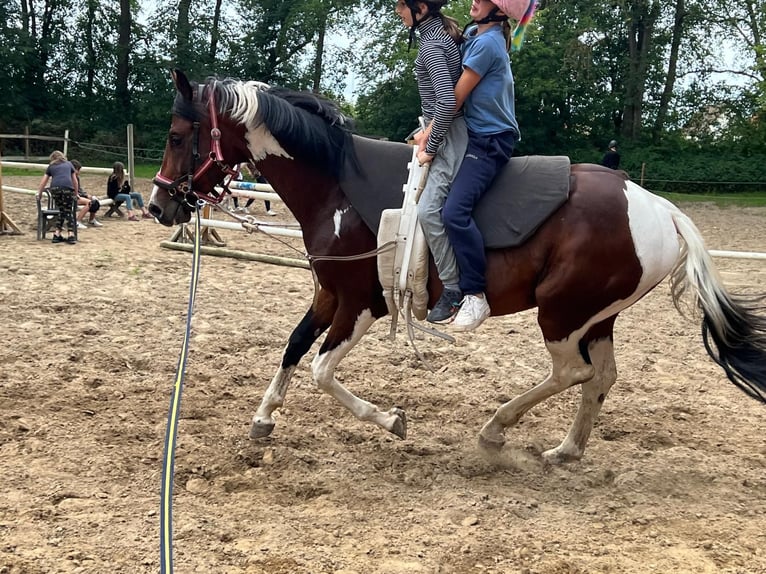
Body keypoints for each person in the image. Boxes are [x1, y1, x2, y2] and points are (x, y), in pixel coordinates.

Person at [443, 0, 533, 332]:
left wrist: (428, 133)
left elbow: (455, 98)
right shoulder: (474, 33)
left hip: (489, 141)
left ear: (499, 11)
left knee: (454, 212)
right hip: (475, 133)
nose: (474, 3)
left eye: (483, 0)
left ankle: (475, 294)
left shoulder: (487, 43)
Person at [395, 0, 468, 324]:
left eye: (400, 5)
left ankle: (453, 288)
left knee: (428, 210)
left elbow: (448, 100)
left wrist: (431, 143)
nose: (397, 11)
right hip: (437, 126)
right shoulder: (436, 37)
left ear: (420, 8)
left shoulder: (433, 46)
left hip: (449, 134)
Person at [36, 150, 79, 244]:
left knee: (62, 210)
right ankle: (71, 234)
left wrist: (39, 192)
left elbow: (44, 181)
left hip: (55, 189)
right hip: (67, 188)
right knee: (68, 210)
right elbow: (74, 180)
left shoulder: (51, 167)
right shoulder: (69, 164)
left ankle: (57, 234)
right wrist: (76, 193)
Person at [71, 160, 103, 228]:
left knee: (95, 201)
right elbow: (73, 190)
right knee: (90, 203)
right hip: (72, 197)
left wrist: (86, 195)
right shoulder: (70, 178)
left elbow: (79, 189)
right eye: (78, 170)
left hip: (78, 195)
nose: (79, 172)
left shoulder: (77, 177)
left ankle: (92, 219)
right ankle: (77, 221)